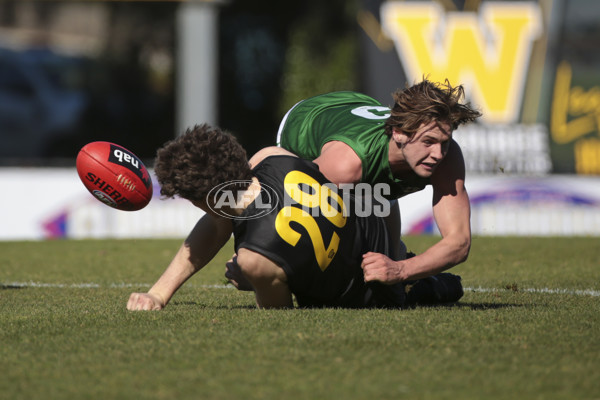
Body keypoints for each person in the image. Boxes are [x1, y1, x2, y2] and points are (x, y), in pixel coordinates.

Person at [127, 124, 463, 310]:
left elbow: (281, 317)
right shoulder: (272, 157)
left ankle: (426, 285)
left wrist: (258, 277)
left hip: (374, 289)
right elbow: (219, 223)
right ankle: (416, 274)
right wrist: (158, 294)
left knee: (418, 291)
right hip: (379, 222)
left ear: (207, 199)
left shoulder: (255, 259)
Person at [271, 79, 482, 284]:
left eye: (444, 142)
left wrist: (400, 269)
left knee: (389, 270)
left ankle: (396, 252)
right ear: (398, 133)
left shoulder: (447, 157)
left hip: (358, 110)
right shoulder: (345, 166)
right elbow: (284, 210)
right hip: (306, 121)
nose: (437, 154)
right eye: (428, 142)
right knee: (329, 259)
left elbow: (459, 243)